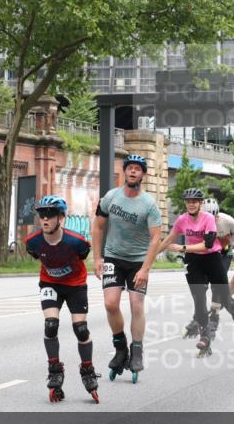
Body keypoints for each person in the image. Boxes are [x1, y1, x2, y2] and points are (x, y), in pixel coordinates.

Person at [92, 154, 162, 383]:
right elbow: (98, 227)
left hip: (138, 261)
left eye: (137, 169)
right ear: (125, 172)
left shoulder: (149, 204)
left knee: (136, 304)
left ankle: (138, 350)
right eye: (129, 168)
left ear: (143, 174)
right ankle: (121, 347)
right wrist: (97, 258)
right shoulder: (111, 197)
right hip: (113, 256)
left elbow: (155, 239)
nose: (133, 172)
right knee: (110, 304)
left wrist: (145, 269)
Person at [160, 189, 234, 356]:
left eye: (195, 201)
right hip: (193, 260)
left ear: (201, 204)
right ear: (185, 203)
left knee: (224, 296)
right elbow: (168, 240)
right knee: (199, 298)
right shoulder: (182, 220)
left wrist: (183, 247)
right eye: (188, 201)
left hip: (214, 256)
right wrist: (149, 257)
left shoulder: (216, 219)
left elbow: (210, 244)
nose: (191, 204)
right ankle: (205, 335)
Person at [26, 195, 99, 403]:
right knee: (50, 325)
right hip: (50, 283)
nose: (45, 219)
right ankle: (55, 369)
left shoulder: (77, 242)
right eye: (42, 215)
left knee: (81, 329)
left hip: (75, 286)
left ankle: (88, 369)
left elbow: (84, 255)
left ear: (61, 218)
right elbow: (35, 255)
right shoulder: (33, 241)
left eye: (50, 215)